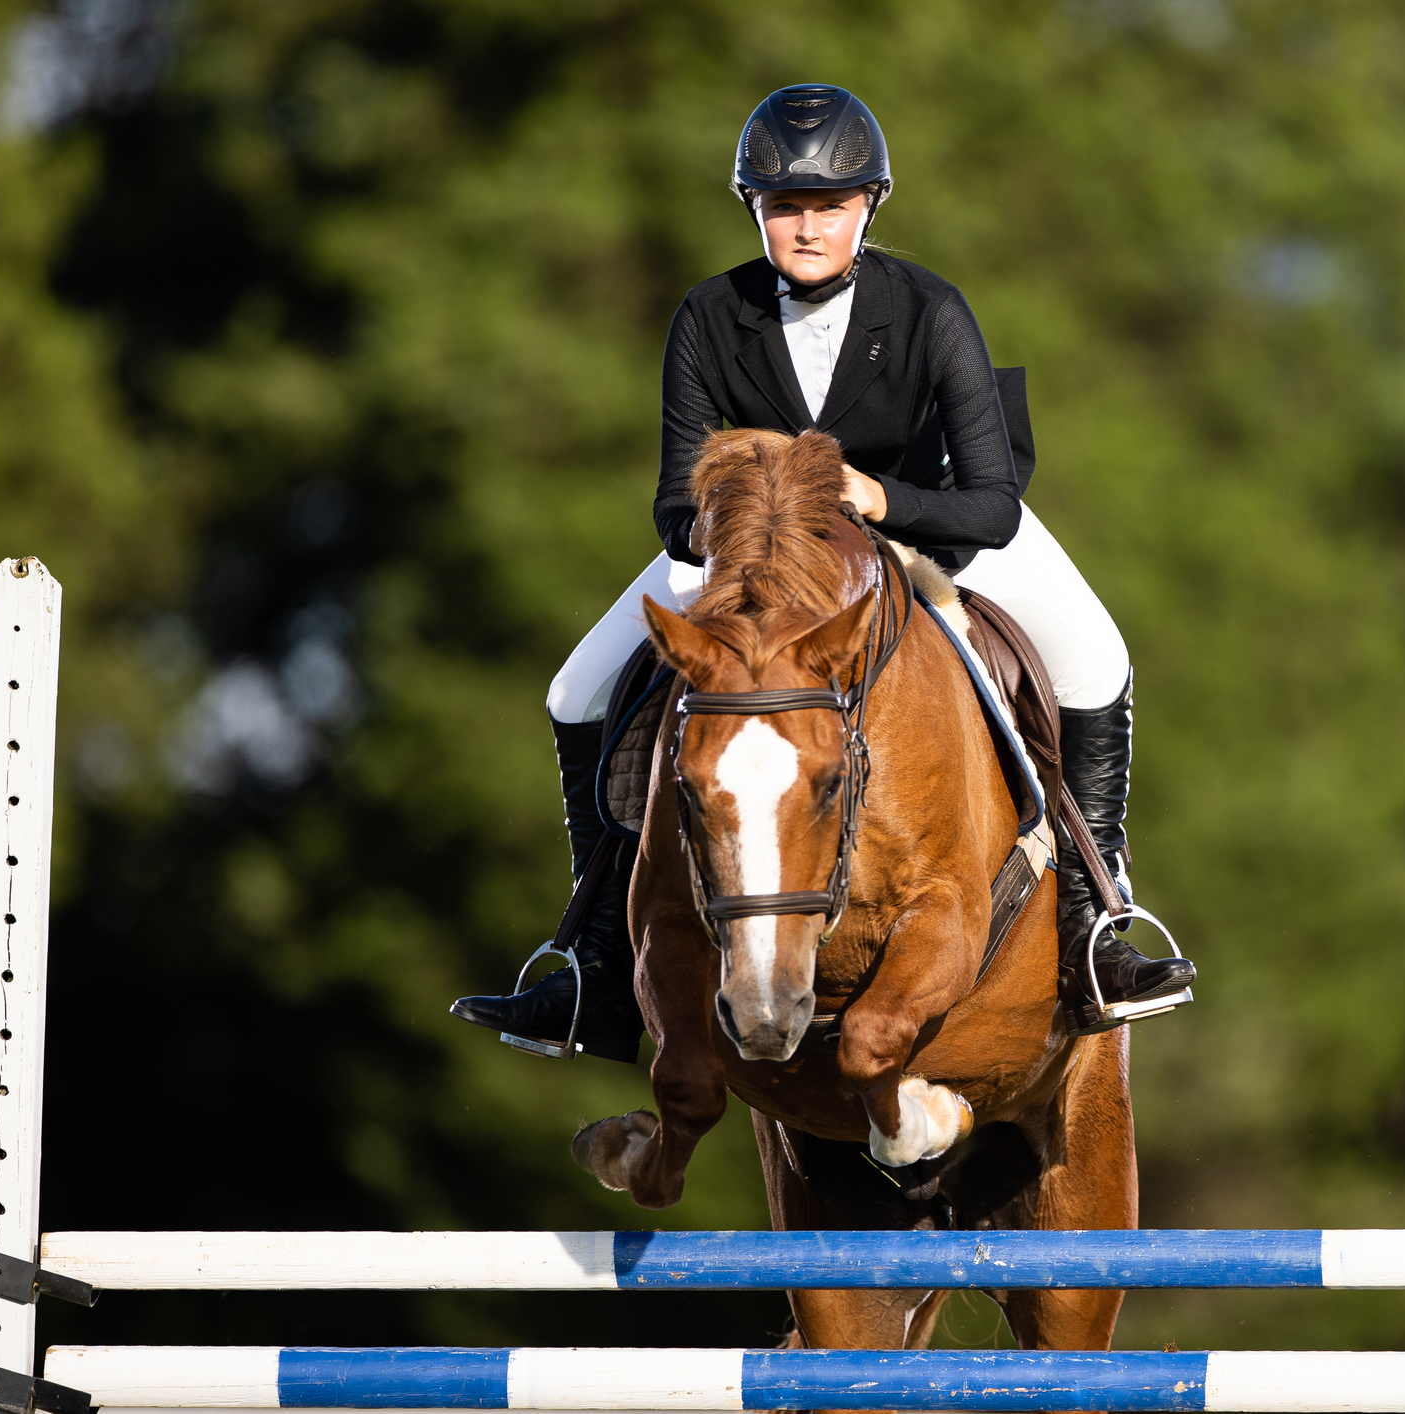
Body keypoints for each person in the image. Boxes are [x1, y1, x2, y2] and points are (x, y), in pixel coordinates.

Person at [451, 84, 1197, 1060]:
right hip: (761, 549)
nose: (807, 226)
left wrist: (880, 501)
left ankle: (1093, 933)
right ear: (753, 208)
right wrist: (762, 520)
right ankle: (595, 968)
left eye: (830, 205)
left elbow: (992, 501)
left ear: (868, 207)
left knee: (1095, 658)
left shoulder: (928, 308)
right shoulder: (711, 316)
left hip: (932, 521)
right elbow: (675, 507)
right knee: (575, 689)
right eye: (785, 205)